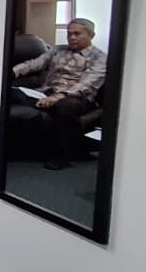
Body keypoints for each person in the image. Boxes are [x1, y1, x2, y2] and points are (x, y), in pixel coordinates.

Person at [9, 18, 107, 170]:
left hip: (77, 97)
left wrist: (59, 96)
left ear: (91, 35)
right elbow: (35, 64)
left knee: (64, 107)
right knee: (11, 93)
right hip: (45, 93)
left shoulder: (100, 57)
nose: (72, 37)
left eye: (77, 34)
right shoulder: (58, 50)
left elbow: (88, 84)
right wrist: (12, 72)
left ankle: (62, 156)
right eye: (69, 34)